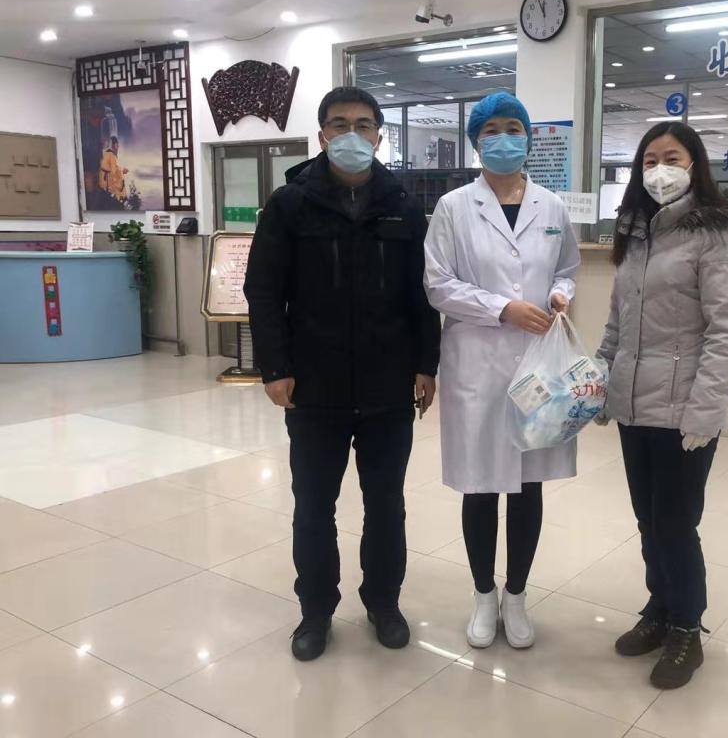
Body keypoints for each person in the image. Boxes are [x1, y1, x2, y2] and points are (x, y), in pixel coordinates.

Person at [244, 87, 441, 662]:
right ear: (322, 134)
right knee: (313, 507)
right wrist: (275, 367)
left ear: (379, 135)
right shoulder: (290, 204)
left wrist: (426, 364)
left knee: (386, 505)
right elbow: (263, 291)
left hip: (387, 386)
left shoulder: (403, 205)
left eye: (363, 124)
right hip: (314, 385)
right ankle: (315, 611)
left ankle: (383, 602)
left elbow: (423, 293)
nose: (351, 134)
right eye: (339, 124)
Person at [596, 121, 728, 690]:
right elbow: (617, 323)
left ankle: (687, 626)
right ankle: (659, 608)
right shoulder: (635, 232)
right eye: (649, 160)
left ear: (694, 165)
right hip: (634, 405)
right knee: (647, 518)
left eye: (672, 158)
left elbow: (726, 330)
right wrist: (599, 381)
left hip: (684, 409)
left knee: (676, 522)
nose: (659, 169)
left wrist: (705, 412)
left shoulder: (714, 234)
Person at [424, 92, 580, 650]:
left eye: (513, 128)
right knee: (481, 484)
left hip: (538, 365)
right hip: (478, 363)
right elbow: (437, 284)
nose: (504, 139)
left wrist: (560, 295)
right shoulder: (453, 207)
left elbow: (567, 268)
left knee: (527, 484)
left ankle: (516, 595)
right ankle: (483, 596)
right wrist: (501, 308)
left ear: (529, 138)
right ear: (476, 141)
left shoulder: (551, 206)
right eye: (491, 130)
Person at [99, 136, 128, 202]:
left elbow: (113, 168)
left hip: (104, 182)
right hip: (108, 184)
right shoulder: (111, 155)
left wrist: (121, 170)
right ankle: (122, 200)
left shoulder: (106, 153)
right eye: (117, 145)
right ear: (113, 145)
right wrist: (122, 171)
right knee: (121, 186)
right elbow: (114, 172)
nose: (118, 147)